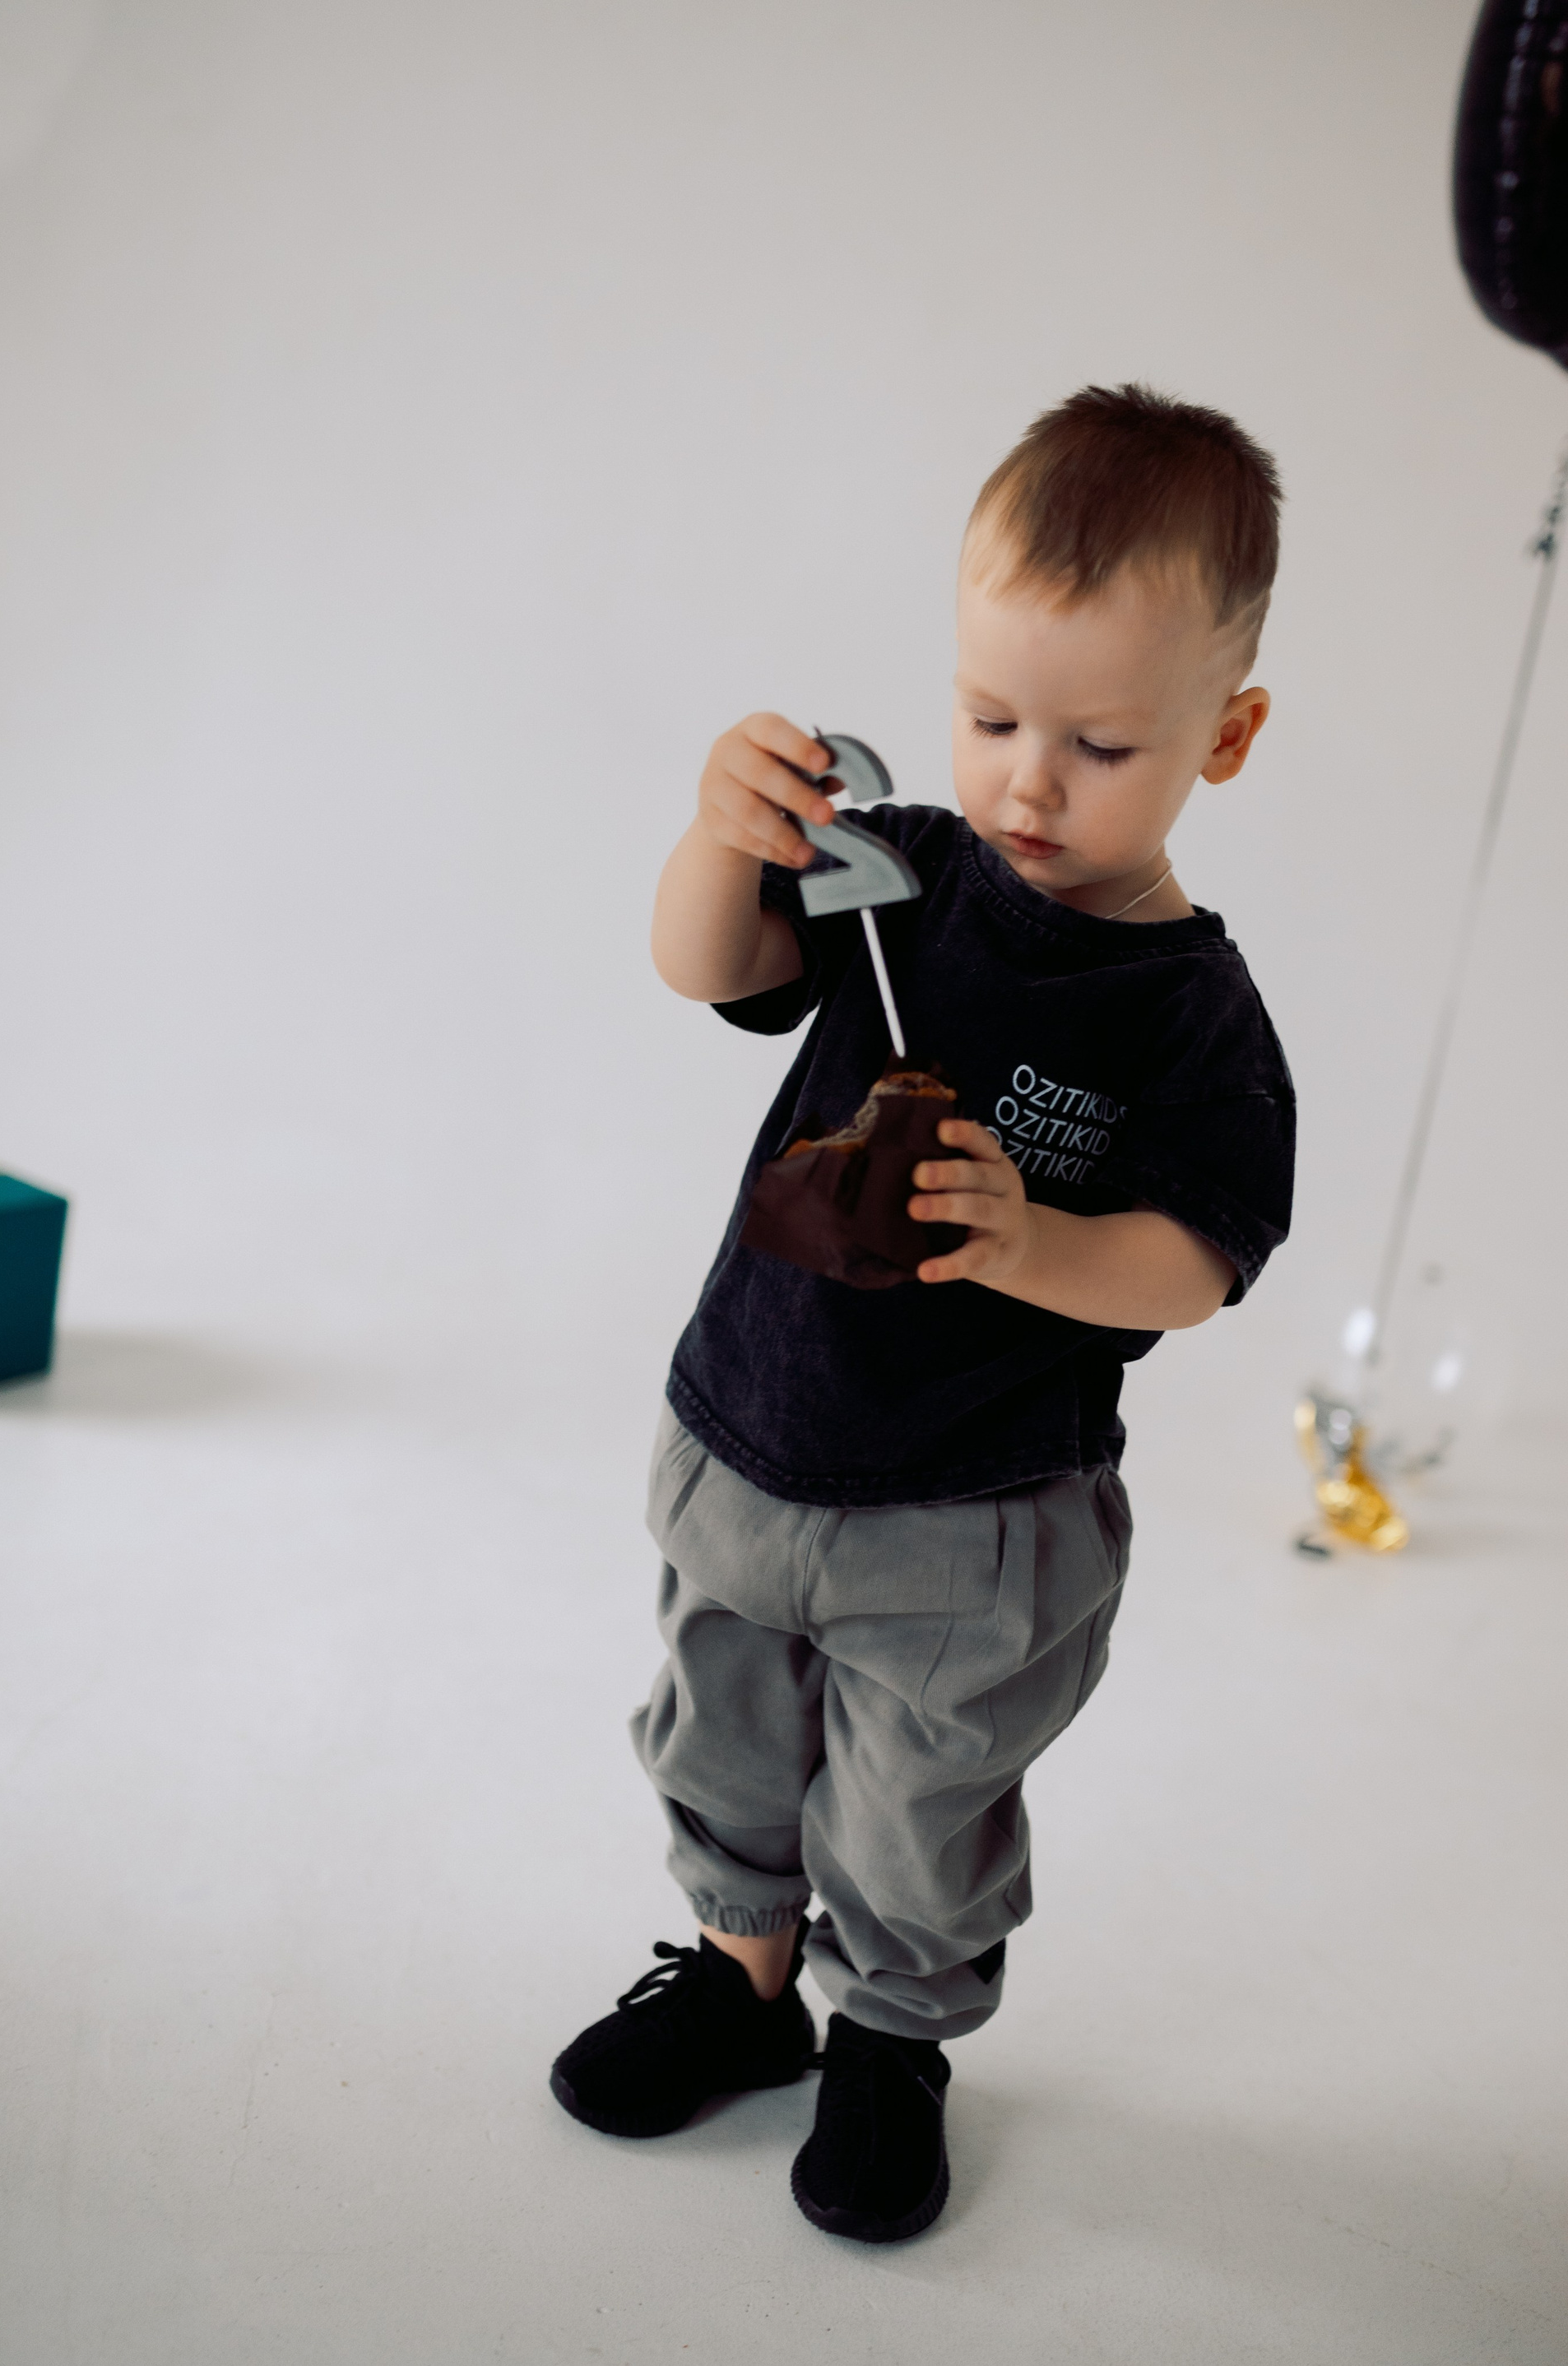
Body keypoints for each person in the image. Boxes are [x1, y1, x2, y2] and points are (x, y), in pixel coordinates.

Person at [550, 383, 1296, 2243]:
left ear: (1226, 737)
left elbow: (1199, 1261)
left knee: (918, 1802)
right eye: (989, 718)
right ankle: (744, 1979)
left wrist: (1034, 1241)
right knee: (720, 1733)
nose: (1028, 784)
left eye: (1101, 744)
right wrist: (722, 832)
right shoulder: (901, 876)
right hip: (759, 1428)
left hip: (977, 1513)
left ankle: (890, 2038)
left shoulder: (1191, 1014)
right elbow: (707, 964)